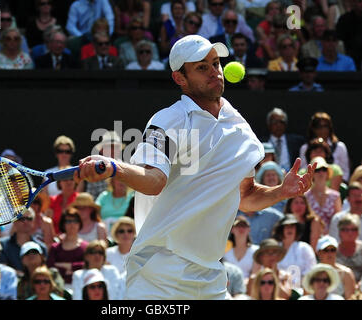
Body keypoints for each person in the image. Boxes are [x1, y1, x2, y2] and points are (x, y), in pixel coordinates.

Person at [73, 34, 316, 299]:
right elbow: (154, 180)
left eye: (215, 63)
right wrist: (113, 167)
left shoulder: (240, 128)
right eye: (202, 67)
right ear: (180, 78)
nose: (215, 72)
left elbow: (244, 197)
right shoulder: (167, 121)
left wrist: (281, 191)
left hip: (210, 277)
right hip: (158, 274)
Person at [299, 111, 350, 182]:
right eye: (318, 126)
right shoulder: (305, 148)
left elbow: (345, 172)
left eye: (326, 126)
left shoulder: (340, 147)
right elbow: (303, 170)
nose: (323, 130)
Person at [46, 208, 88, 289]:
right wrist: (71, 269)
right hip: (59, 287)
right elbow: (51, 268)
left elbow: (87, 265)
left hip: (81, 286)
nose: (72, 224)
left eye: (75, 221)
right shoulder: (55, 248)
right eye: (68, 221)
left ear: (79, 224)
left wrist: (68, 265)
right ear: (63, 224)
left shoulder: (86, 247)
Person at [0, 209, 47, 273]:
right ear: (14, 221)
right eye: (21, 218)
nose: (25, 221)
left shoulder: (42, 247)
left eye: (29, 218)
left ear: (33, 221)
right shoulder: (2, 244)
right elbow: (2, 269)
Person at [272, 214, 317, 282]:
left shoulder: (305, 248)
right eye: (287, 226)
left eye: (292, 226)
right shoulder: (274, 249)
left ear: (297, 229)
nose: (289, 229)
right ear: (281, 229)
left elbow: (311, 270)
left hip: (301, 289)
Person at [260, 107, 305, 173]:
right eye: (275, 122)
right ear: (269, 124)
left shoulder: (297, 142)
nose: (278, 125)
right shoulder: (261, 143)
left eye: (281, 122)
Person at [305, 157, 341, 232]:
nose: (321, 172)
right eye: (317, 170)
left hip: (331, 237)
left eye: (324, 169)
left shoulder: (335, 196)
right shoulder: (305, 196)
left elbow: (338, 220)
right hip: (310, 236)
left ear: (327, 173)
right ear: (312, 173)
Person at [87, 130, 125, 200]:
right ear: (101, 150)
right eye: (109, 147)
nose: (112, 150)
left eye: (115, 147)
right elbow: (91, 200)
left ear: (119, 150)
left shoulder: (127, 170)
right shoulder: (93, 170)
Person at [316, 235, 356, 299]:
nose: (330, 253)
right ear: (319, 253)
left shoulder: (346, 273)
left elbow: (350, 298)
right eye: (326, 250)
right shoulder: (311, 273)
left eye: (333, 250)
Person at [223, 216, 259, 282]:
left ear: (249, 229)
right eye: (238, 226)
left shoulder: (256, 251)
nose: (241, 228)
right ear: (232, 230)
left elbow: (255, 274)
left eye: (244, 226)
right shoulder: (224, 250)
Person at [336, 0, 362, 70]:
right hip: (349, 55)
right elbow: (338, 40)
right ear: (354, 3)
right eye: (360, 1)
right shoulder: (344, 19)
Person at [336, 214, 362, 282]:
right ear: (339, 232)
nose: (350, 233)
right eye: (345, 230)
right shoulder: (331, 250)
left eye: (354, 229)